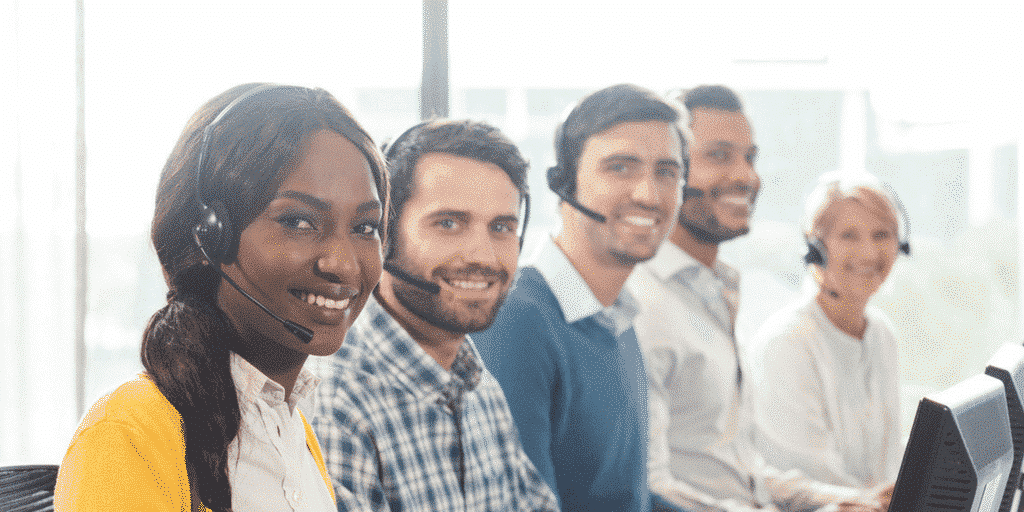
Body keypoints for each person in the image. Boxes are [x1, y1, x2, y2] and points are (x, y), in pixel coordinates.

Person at [54, 83, 389, 512]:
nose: (343, 264)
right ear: (208, 234)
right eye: (299, 222)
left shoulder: (292, 429)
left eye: (366, 228)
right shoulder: (129, 434)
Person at [627, 85, 891, 512]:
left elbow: (741, 474)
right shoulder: (640, 305)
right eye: (719, 155)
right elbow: (652, 489)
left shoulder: (713, 292)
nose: (746, 177)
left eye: (749, 158)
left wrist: (845, 501)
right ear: (667, 172)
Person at [309, 119, 558, 512]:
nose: (482, 255)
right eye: (449, 223)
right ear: (383, 233)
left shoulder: (478, 387)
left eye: (501, 227)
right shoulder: (337, 406)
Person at [474, 83, 686, 512]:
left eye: (666, 172)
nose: (648, 194)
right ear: (563, 183)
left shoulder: (616, 318)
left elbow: (627, 499)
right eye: (620, 168)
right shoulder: (517, 320)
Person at [747, 171, 907, 489]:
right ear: (815, 248)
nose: (869, 253)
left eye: (882, 235)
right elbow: (813, 479)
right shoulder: (788, 343)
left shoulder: (881, 335)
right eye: (849, 235)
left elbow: (887, 465)